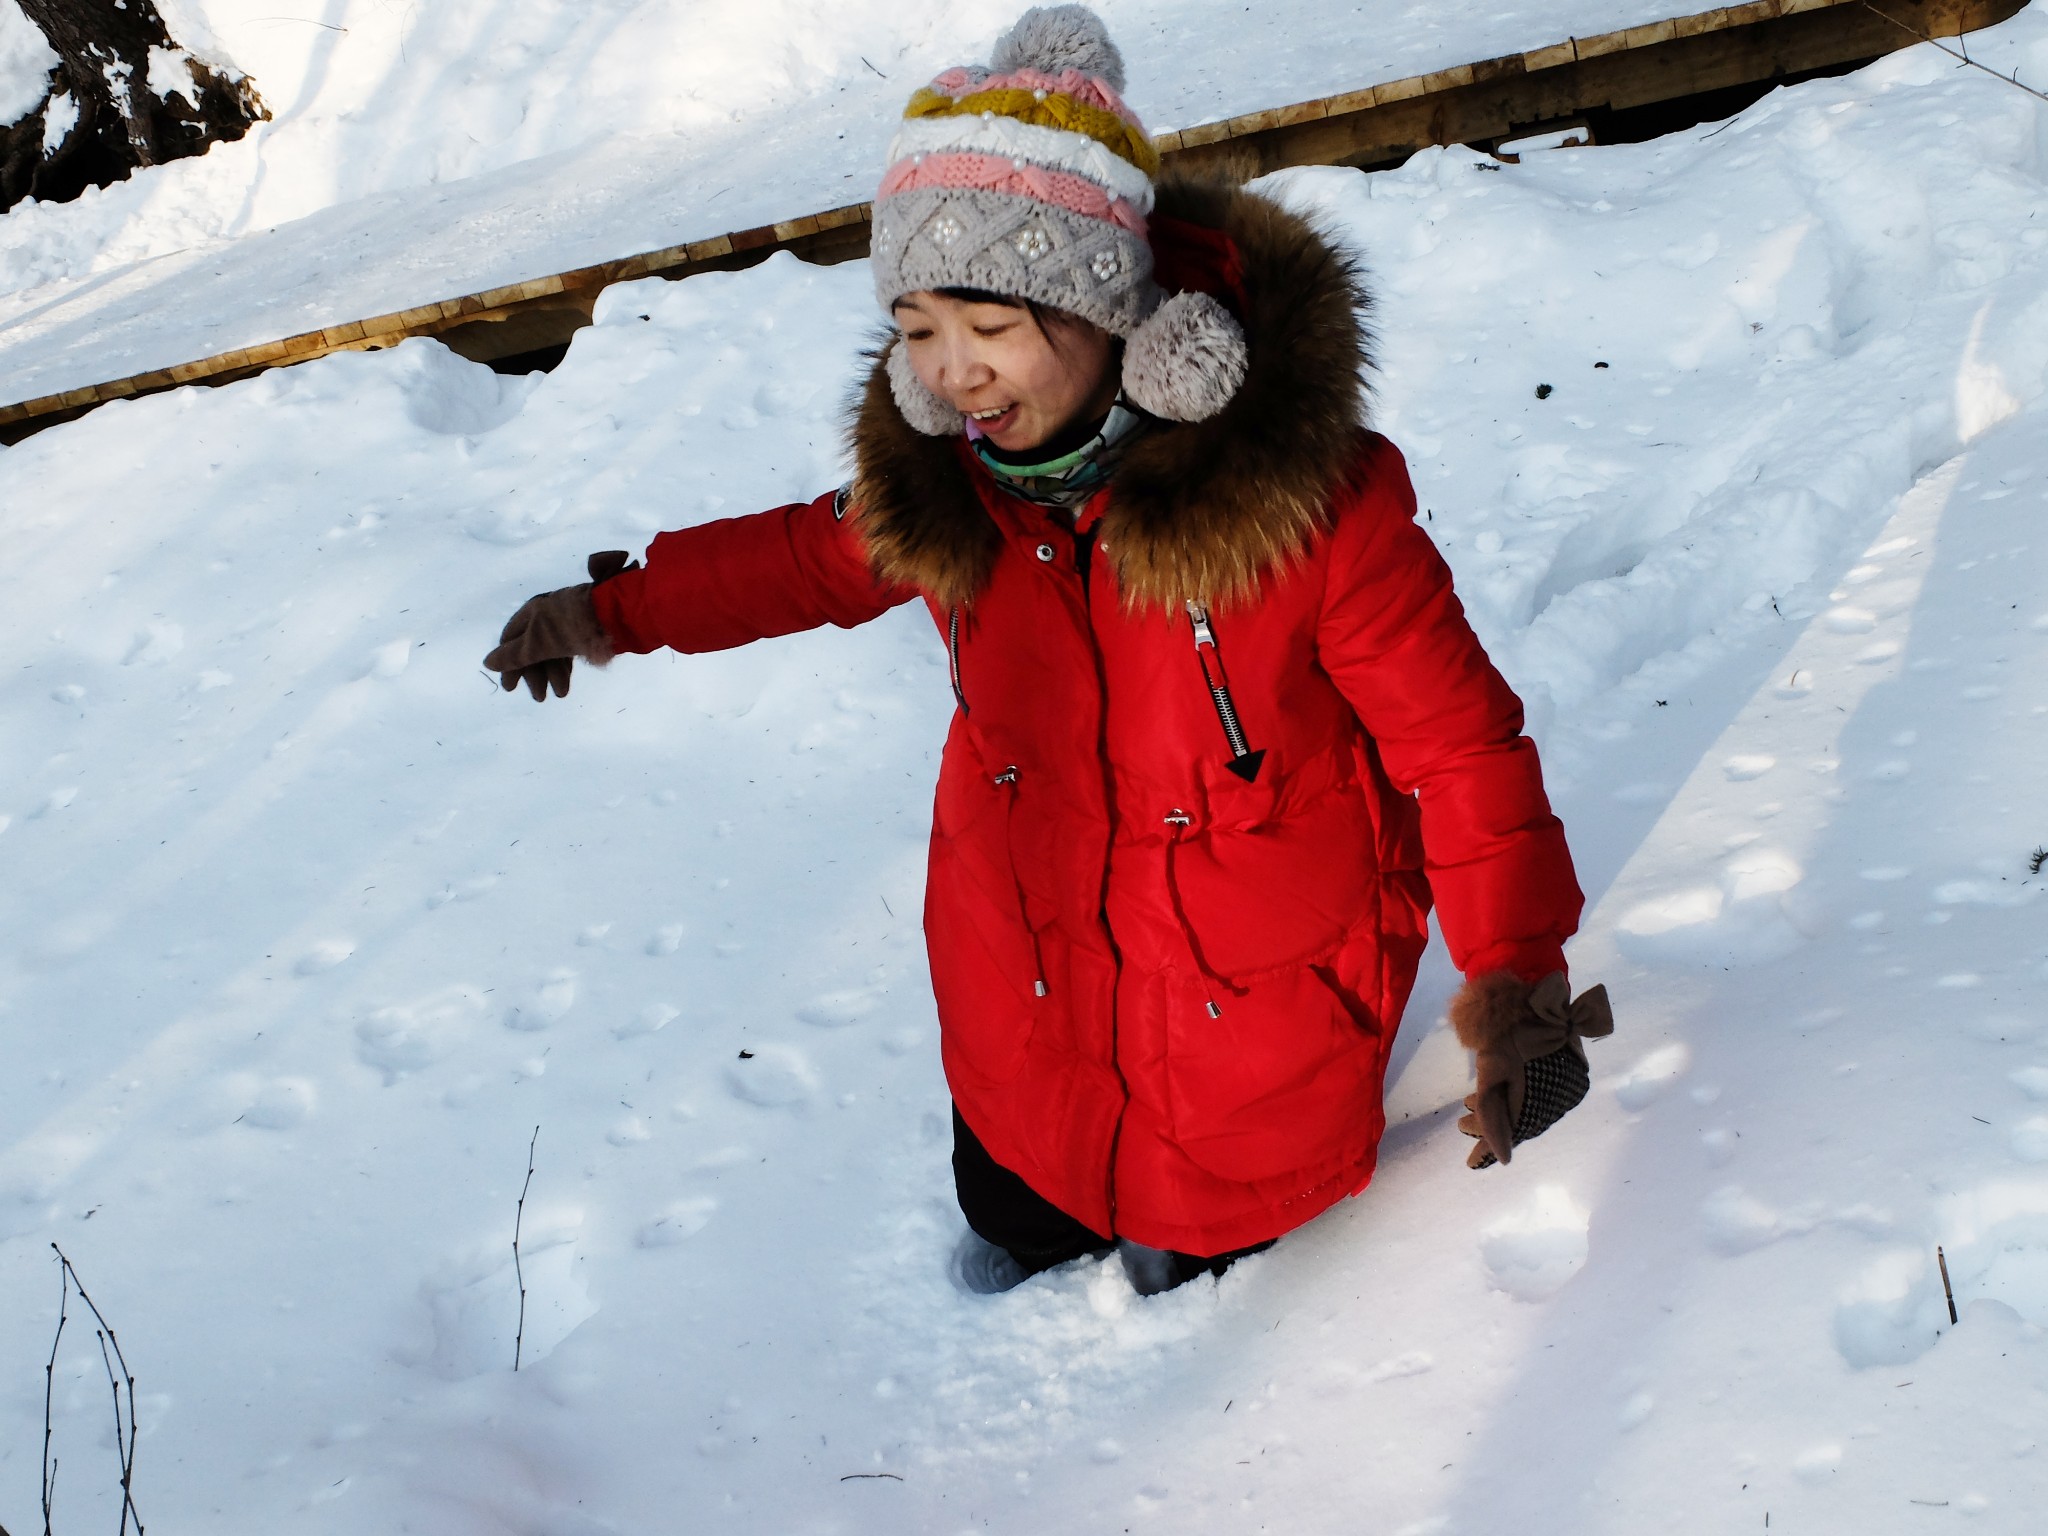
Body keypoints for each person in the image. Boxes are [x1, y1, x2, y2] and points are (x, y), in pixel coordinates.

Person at [485, 5, 1612, 1297]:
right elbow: (801, 558)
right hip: (1028, 1007)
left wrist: (1520, 992)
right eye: (916, 329)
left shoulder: (1308, 513)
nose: (953, 371)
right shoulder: (957, 495)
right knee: (1020, 1208)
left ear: (1113, 311)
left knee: (1200, 1263)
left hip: (1245, 1041)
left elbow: (1463, 750)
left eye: (989, 323)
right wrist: (613, 610)